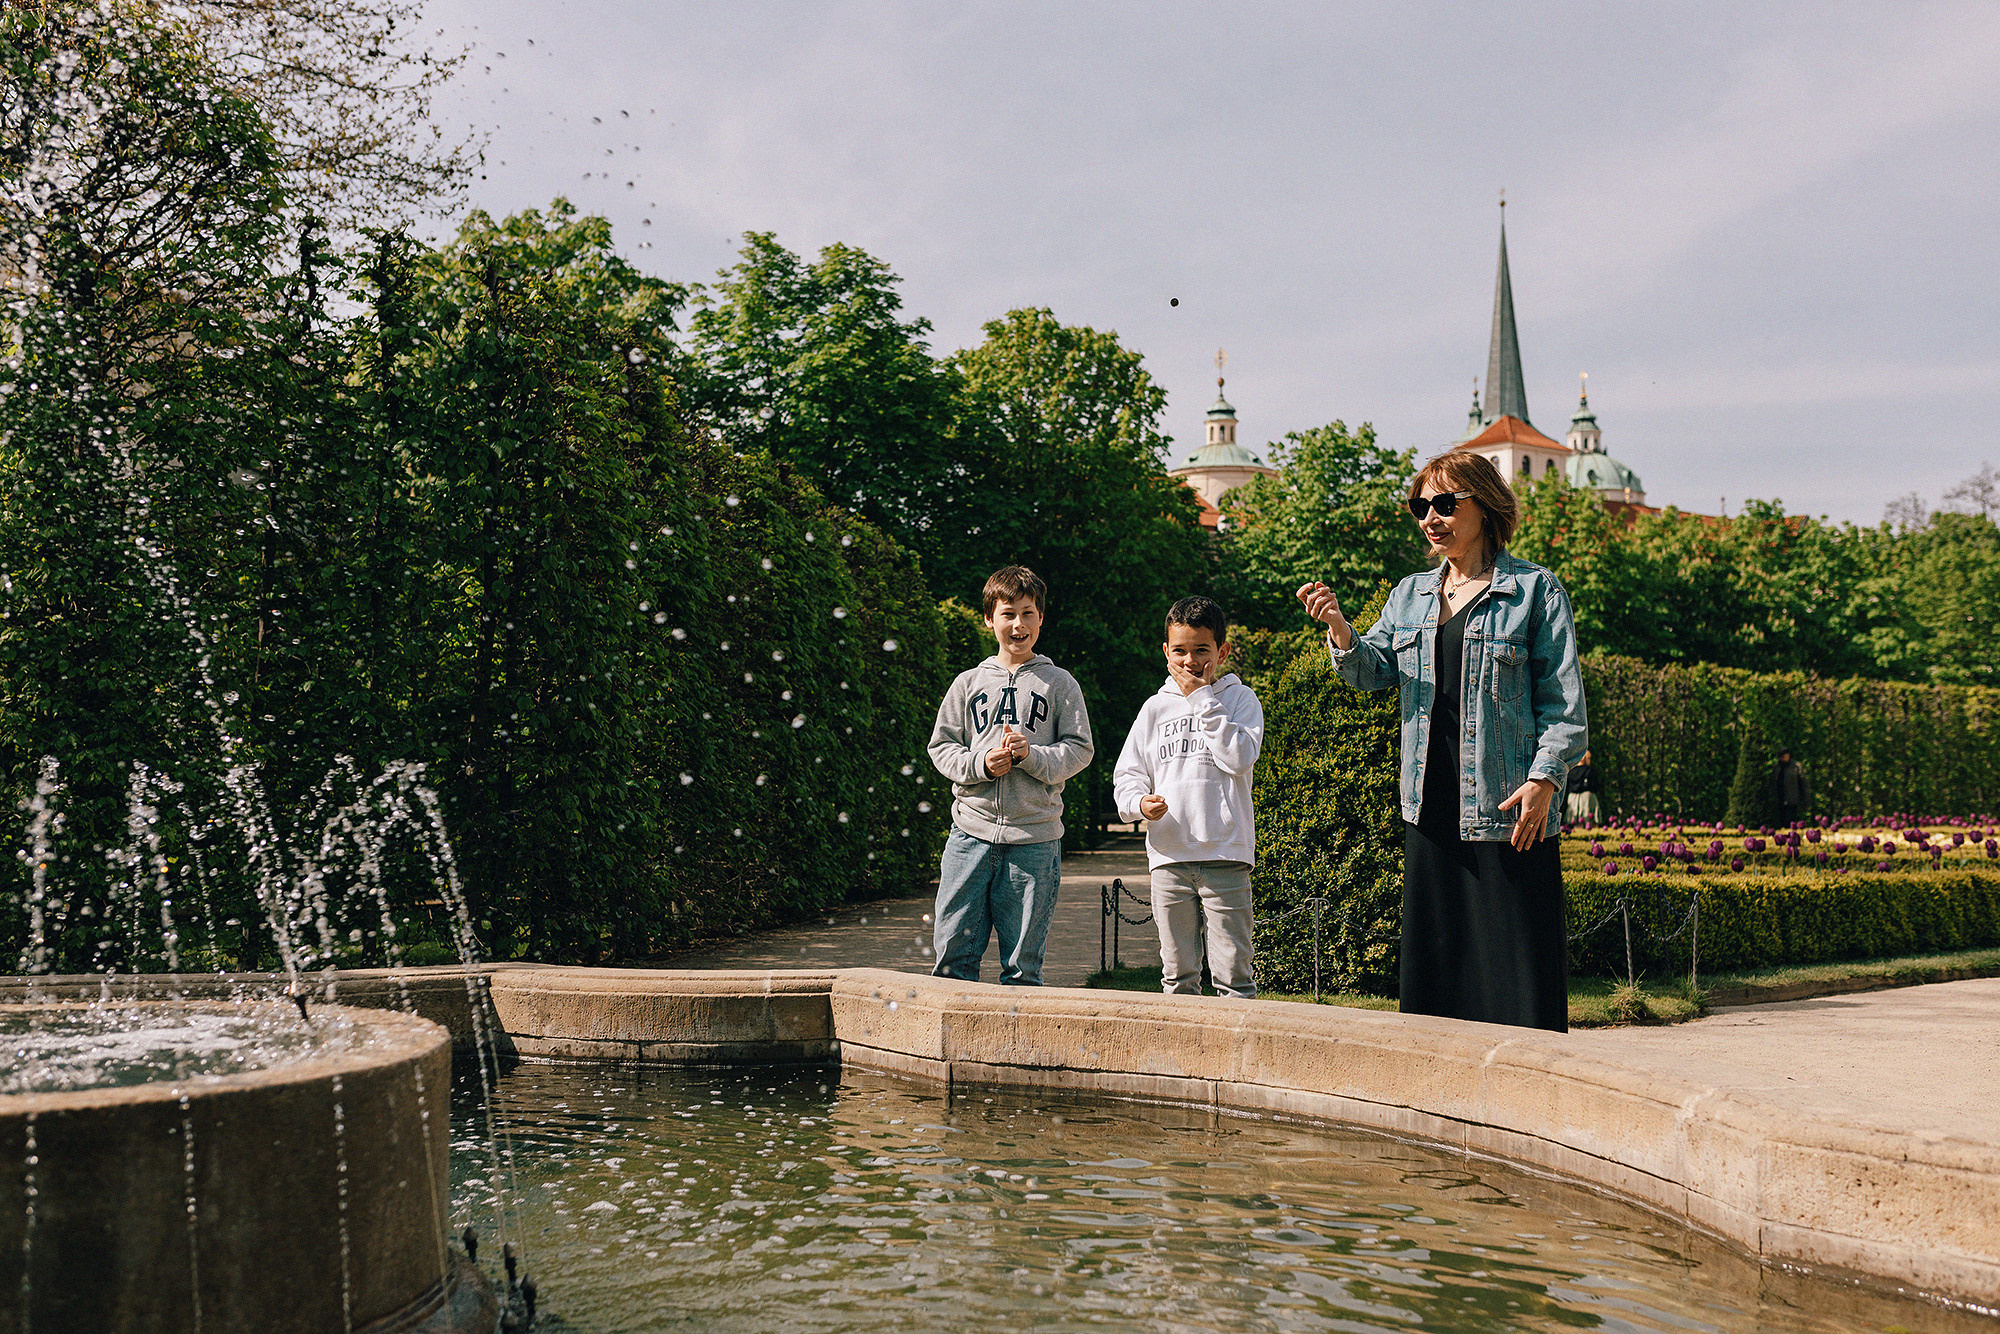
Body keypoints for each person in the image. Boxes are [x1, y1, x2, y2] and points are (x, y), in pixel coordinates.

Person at [1296, 452, 1586, 1032]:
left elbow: (1564, 703)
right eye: (1422, 505)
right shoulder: (1410, 595)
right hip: (1429, 805)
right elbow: (1372, 671)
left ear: (1485, 505)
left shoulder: (1533, 591)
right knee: (1439, 969)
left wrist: (1544, 778)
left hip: (1507, 805)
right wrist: (1340, 629)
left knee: (1515, 969)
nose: (1432, 516)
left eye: (1446, 503)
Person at [925, 565, 1095, 985]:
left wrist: (1032, 757)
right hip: (969, 836)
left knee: (1022, 967)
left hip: (1034, 842)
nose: (1018, 624)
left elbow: (1080, 749)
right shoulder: (967, 683)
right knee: (952, 960)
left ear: (1041, 618)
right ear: (989, 618)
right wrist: (980, 765)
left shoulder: (1061, 683)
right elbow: (941, 747)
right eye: (1008, 613)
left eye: (1028, 613)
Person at [1112, 596, 1266, 999]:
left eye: (1202, 650)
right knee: (1178, 977)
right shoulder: (1154, 708)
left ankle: (1238, 1060)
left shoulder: (1240, 700)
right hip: (1169, 858)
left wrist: (1201, 699)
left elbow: (1238, 758)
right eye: (1179, 650)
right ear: (1166, 651)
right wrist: (1138, 805)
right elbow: (1128, 774)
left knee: (1234, 977)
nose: (1190, 661)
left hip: (1225, 856)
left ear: (1223, 651)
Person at [1769, 749, 1810, 826]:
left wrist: (1805, 798)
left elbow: (1804, 783)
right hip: (1779, 798)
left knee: (1792, 819)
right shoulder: (1776, 768)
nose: (1786, 758)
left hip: (1793, 798)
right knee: (1781, 819)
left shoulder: (1796, 766)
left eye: (1787, 756)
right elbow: (1772, 783)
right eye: (1784, 757)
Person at [1565, 749, 1603, 826]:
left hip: (1572, 797)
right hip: (1587, 797)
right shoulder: (1589, 770)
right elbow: (1595, 785)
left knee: (1574, 820)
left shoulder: (1570, 771)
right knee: (1588, 819)